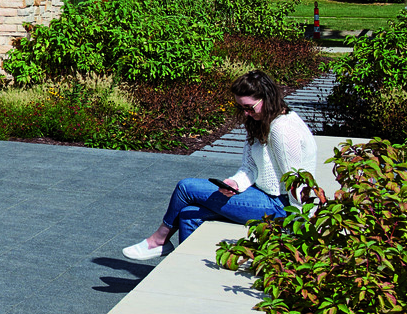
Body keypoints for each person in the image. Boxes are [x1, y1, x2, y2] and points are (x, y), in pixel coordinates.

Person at [122, 70, 322, 260]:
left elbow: (297, 181)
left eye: (249, 107)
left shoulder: (282, 130)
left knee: (186, 187)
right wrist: (236, 183)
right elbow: (250, 167)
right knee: (187, 215)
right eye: (241, 108)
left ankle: (159, 240)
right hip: (264, 196)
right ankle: (188, 267)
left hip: (281, 206)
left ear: (267, 99)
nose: (245, 113)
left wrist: (300, 226)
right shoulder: (260, 121)